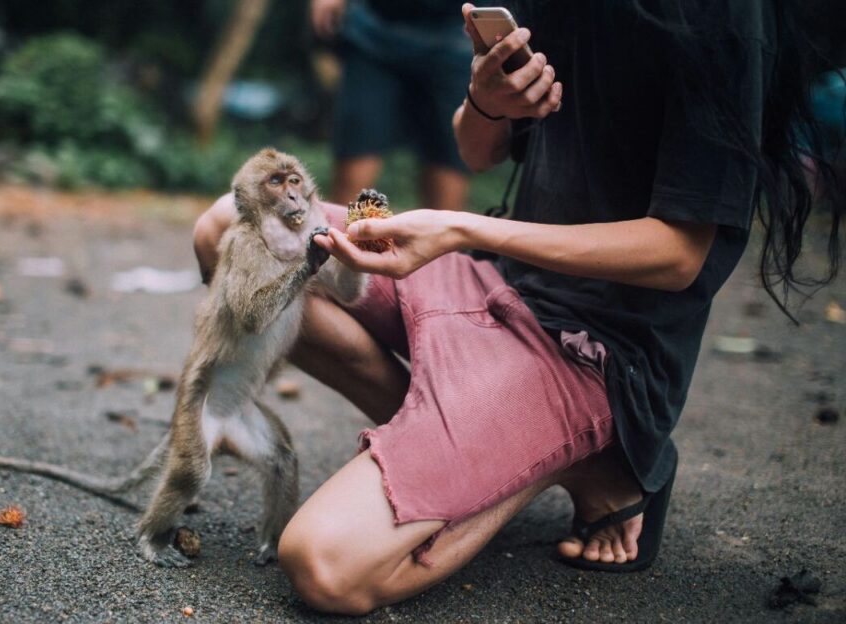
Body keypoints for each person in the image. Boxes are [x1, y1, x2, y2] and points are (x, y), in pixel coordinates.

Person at [193, 0, 843, 615]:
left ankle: (567, 460)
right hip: (496, 284)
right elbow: (477, 148)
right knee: (228, 233)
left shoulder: (721, 14)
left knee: (323, 564)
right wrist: (486, 103)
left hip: (589, 352)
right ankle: (483, 449)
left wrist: (462, 229)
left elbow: (679, 254)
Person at [311, 0, 474, 210]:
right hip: (374, 33)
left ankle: (438, 243)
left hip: (456, 39)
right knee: (352, 173)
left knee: (448, 177)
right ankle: (339, 240)